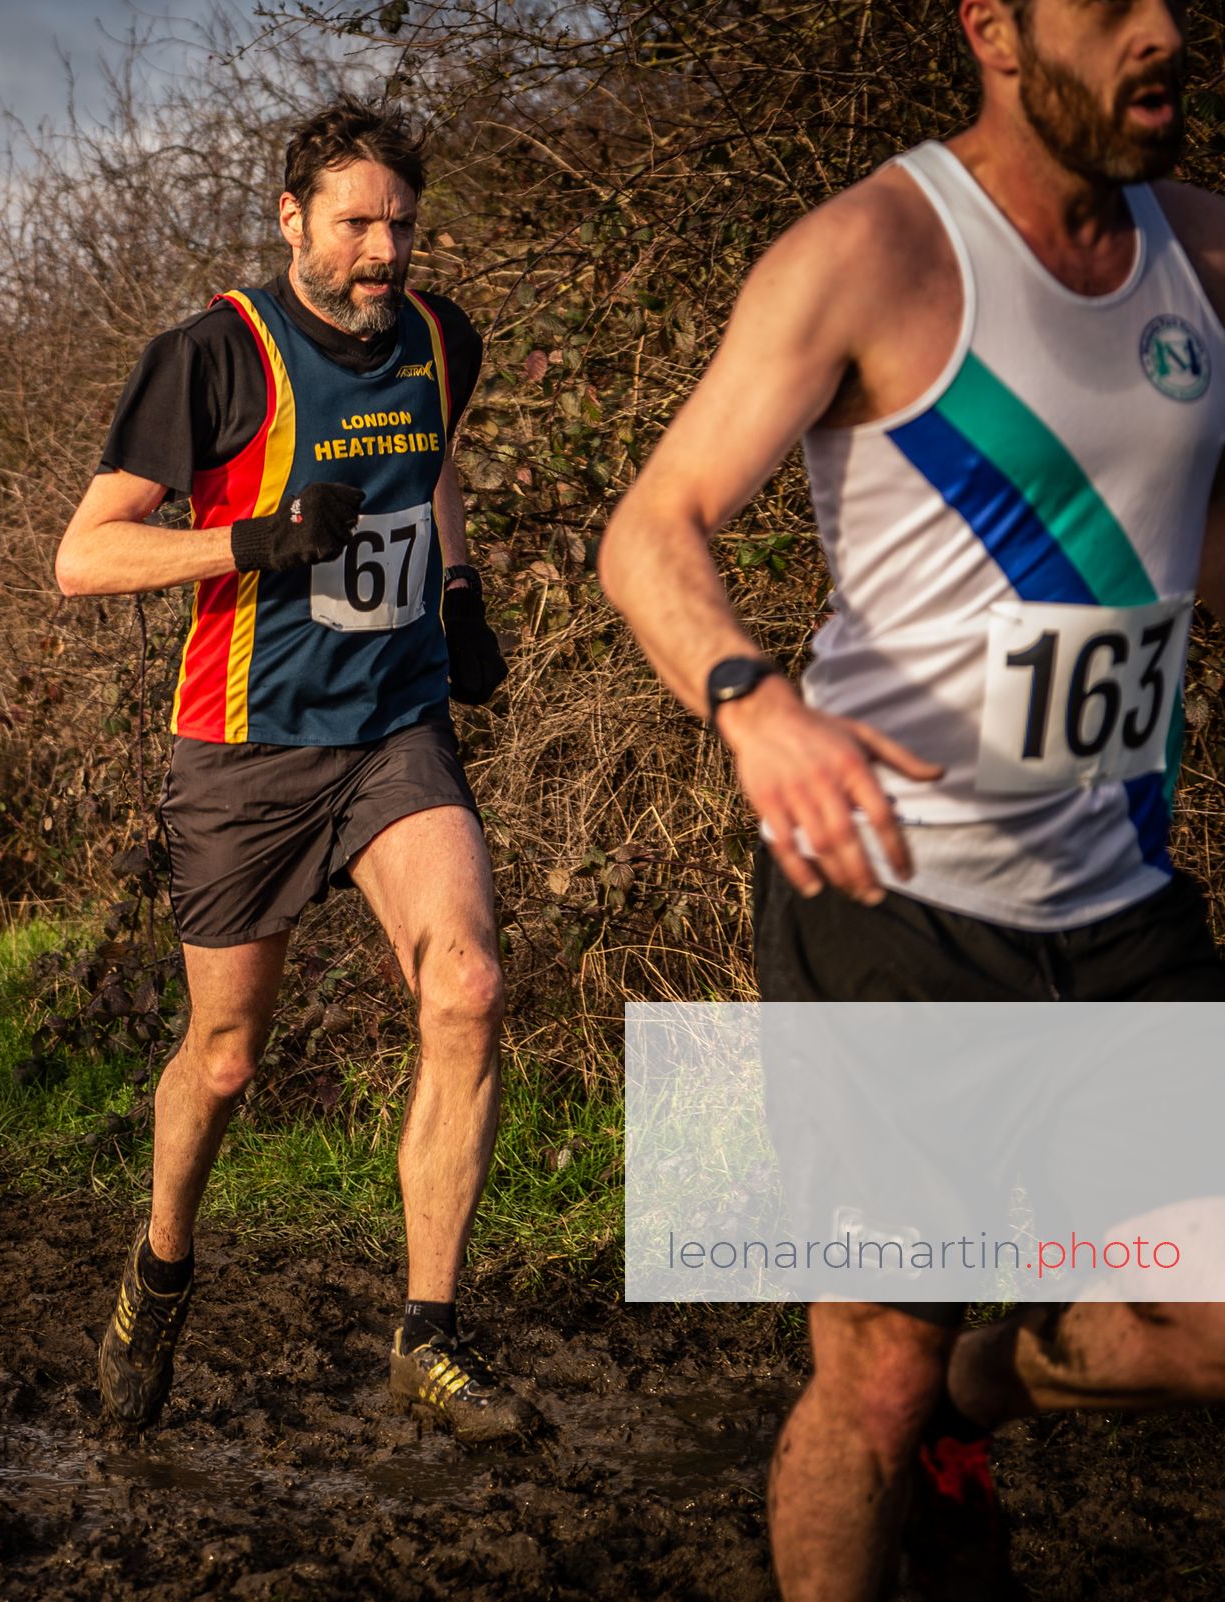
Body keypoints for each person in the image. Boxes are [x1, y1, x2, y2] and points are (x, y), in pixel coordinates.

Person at [597, 1, 1225, 1595]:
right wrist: (755, 704)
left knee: (1208, 1319)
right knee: (869, 1376)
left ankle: (977, 1386)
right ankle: (914, 1402)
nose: (1160, 32)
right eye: (1111, 6)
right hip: (887, 897)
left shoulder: (1208, 256)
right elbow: (651, 527)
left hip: (1122, 901)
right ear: (995, 29)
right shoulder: (873, 251)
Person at [54, 99, 524, 1439]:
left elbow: (431, 464)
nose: (384, 251)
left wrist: (462, 588)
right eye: (357, 224)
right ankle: (161, 1267)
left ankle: (427, 1336)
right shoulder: (210, 355)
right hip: (246, 747)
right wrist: (251, 541)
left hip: (393, 727)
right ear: (291, 219)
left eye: (402, 225)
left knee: (468, 985)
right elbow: (84, 555)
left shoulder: (439, 338)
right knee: (223, 1058)